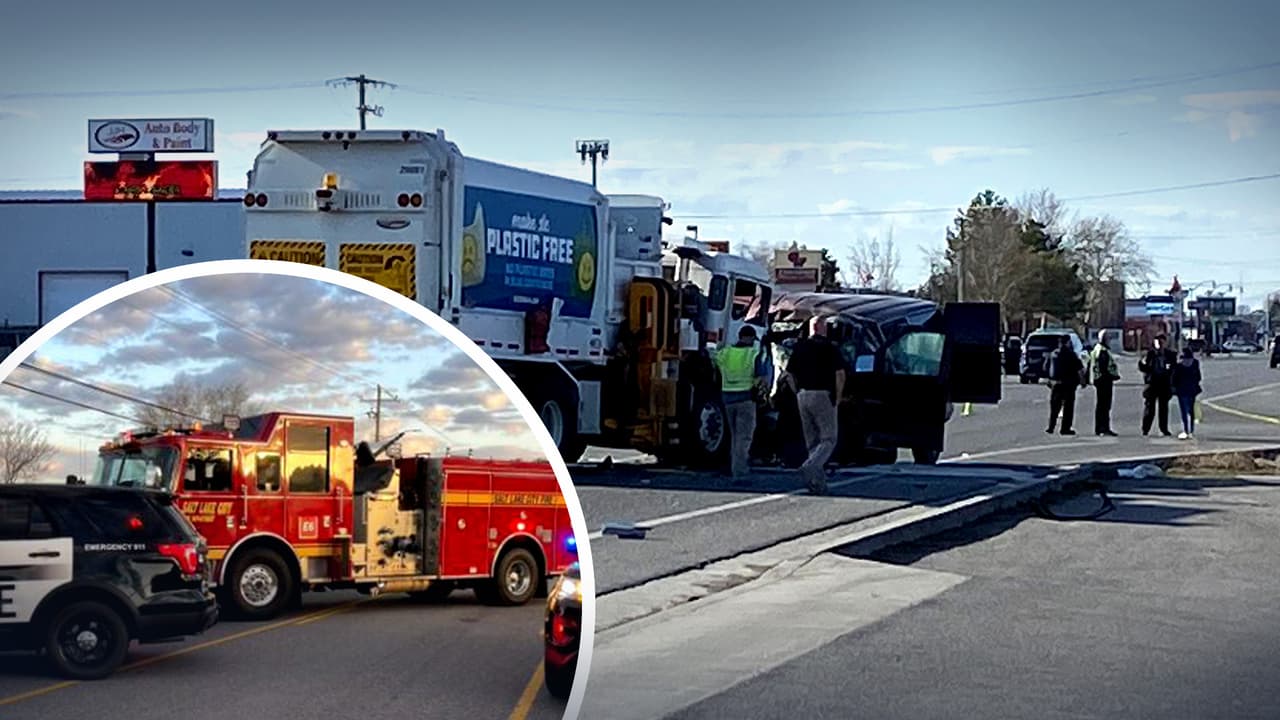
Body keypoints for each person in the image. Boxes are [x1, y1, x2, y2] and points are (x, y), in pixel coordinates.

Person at [780, 316, 845, 495]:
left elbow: (788, 374)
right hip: (823, 394)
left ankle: (817, 483)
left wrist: (797, 391)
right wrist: (838, 398)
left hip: (803, 395)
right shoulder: (830, 348)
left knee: (812, 441)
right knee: (828, 438)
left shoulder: (799, 348)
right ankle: (811, 466)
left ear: (810, 329)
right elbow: (840, 375)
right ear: (823, 329)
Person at [715, 325, 768, 479]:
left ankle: (733, 467)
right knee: (744, 438)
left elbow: (715, 361)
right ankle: (740, 472)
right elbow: (761, 378)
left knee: (734, 436)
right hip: (746, 399)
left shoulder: (725, 353)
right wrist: (764, 394)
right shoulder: (753, 354)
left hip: (727, 399)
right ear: (750, 338)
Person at [1139, 333, 1178, 436]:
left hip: (1164, 384)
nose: (1160, 344)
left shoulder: (1170, 355)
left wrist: (1173, 384)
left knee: (1163, 408)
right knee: (1149, 408)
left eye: (1162, 342)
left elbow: (1174, 370)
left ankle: (1163, 428)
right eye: (1157, 342)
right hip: (1152, 384)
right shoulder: (1150, 354)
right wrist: (1141, 363)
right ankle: (1145, 429)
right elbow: (1144, 368)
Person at [1045, 335, 1084, 435]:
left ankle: (1051, 427)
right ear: (1067, 342)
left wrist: (1049, 380)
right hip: (1068, 385)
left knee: (1054, 407)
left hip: (1055, 384)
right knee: (1068, 408)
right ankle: (1065, 428)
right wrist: (1083, 381)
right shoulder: (1071, 355)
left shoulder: (1053, 354)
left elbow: (1046, 368)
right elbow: (1079, 369)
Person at [1087, 329, 1120, 436]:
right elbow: (1103, 367)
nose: (1109, 340)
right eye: (1108, 338)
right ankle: (1103, 428)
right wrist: (1112, 376)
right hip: (1104, 381)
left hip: (1098, 380)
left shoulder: (1096, 349)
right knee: (1104, 406)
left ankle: (1100, 428)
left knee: (1101, 405)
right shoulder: (1103, 351)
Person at [1172, 346, 1203, 440]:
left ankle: (1186, 429)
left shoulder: (1179, 366)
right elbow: (1198, 377)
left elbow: (1174, 378)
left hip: (1182, 391)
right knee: (1191, 410)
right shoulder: (1195, 364)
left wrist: (1174, 387)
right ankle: (1191, 430)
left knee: (1184, 411)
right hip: (1192, 390)